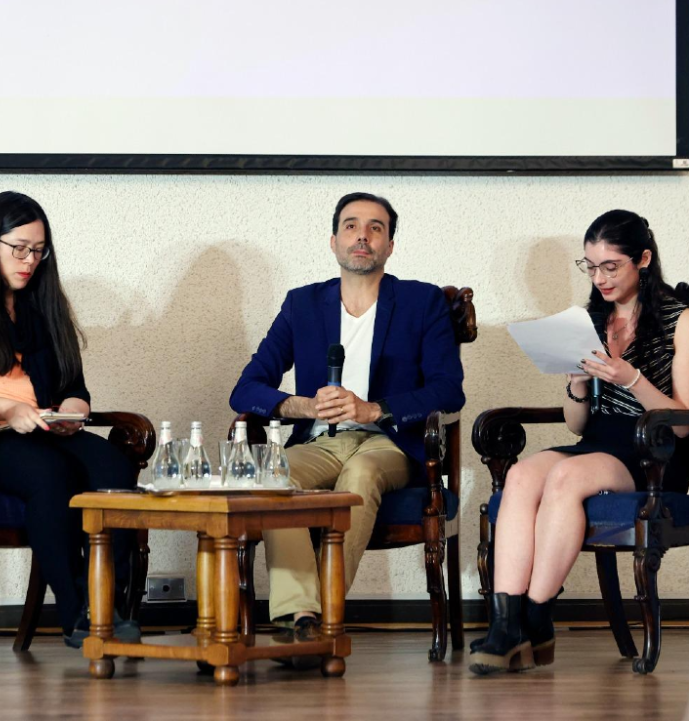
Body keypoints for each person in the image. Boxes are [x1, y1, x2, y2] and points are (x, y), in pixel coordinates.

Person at [229, 192, 465, 661]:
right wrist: (302, 406)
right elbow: (246, 389)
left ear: (390, 245)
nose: (363, 235)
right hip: (319, 441)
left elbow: (448, 390)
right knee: (275, 475)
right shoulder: (303, 304)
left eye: (376, 228)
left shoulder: (421, 302)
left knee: (360, 477)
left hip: (389, 446)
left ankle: (316, 623)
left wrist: (374, 410)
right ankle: (304, 618)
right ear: (334, 241)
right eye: (352, 226)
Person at [0, 191, 139, 647]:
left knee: (115, 469)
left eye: (38, 250)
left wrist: (73, 412)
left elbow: (74, 388)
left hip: (43, 429)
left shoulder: (43, 303)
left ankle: (108, 603)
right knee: (49, 473)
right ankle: (77, 614)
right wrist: (8, 410)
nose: (29, 260)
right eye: (19, 248)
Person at [469, 210, 689, 675]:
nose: (599, 278)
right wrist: (575, 384)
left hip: (653, 451)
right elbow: (576, 425)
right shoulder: (591, 318)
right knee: (523, 474)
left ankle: (537, 617)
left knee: (566, 476)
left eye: (611, 266)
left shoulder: (678, 319)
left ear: (643, 259)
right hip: (598, 442)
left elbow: (683, 422)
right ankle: (505, 626)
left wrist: (630, 378)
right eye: (590, 266)